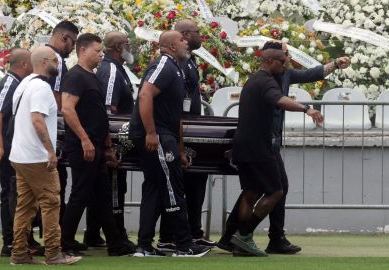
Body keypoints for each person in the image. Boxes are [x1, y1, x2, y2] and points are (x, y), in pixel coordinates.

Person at [218, 41, 350, 254]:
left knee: (252, 192)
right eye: (283, 58)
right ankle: (242, 236)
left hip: (250, 144)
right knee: (276, 191)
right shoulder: (266, 82)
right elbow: (280, 100)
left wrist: (334, 64)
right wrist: (307, 109)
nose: (286, 62)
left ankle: (240, 238)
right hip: (261, 145)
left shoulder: (262, 78)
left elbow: (310, 74)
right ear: (269, 60)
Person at [129, 30, 211, 257]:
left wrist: (181, 148)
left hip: (166, 136)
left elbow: (176, 115)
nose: (187, 42)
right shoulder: (164, 65)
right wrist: (151, 132)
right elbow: (145, 95)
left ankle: (144, 246)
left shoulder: (176, 68)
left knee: (154, 189)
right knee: (173, 188)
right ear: (172, 46)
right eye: (182, 40)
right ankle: (184, 246)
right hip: (157, 136)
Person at [60, 33, 135, 257]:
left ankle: (115, 243)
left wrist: (108, 145)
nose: (101, 54)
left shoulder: (91, 76)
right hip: (84, 145)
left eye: (102, 50)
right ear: (82, 50)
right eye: (96, 50)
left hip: (96, 144)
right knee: (81, 193)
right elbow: (67, 109)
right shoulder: (76, 77)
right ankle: (64, 241)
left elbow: (99, 114)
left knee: (101, 195)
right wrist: (84, 139)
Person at [8, 46, 81, 265]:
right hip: (36, 156)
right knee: (51, 203)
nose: (58, 66)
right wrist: (50, 151)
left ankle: (19, 253)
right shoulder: (40, 87)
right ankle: (53, 253)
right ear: (43, 62)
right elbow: (37, 120)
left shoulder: (24, 84)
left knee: (25, 206)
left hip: (20, 155)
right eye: (55, 62)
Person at [158, 19, 216, 252]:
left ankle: (194, 231)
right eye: (196, 32)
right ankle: (170, 236)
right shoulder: (174, 63)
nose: (201, 36)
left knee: (196, 182)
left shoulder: (189, 61)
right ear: (182, 35)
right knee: (177, 184)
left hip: (190, 128)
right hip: (177, 129)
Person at [0, 48, 42, 257]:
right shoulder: (9, 84)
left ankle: (24, 239)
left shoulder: (20, 84)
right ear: (24, 64)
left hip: (17, 149)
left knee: (22, 195)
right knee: (11, 194)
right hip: (9, 150)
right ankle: (10, 242)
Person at [84, 31, 136, 248]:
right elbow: (108, 111)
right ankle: (118, 234)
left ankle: (94, 235)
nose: (130, 48)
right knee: (115, 187)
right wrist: (109, 145)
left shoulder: (118, 69)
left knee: (105, 188)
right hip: (113, 139)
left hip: (113, 138)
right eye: (127, 44)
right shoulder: (112, 71)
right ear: (117, 47)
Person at [46, 20, 79, 226]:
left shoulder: (40, 53)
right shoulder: (56, 58)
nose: (73, 48)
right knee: (57, 184)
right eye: (73, 43)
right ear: (64, 38)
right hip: (51, 130)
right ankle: (58, 237)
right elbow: (58, 97)